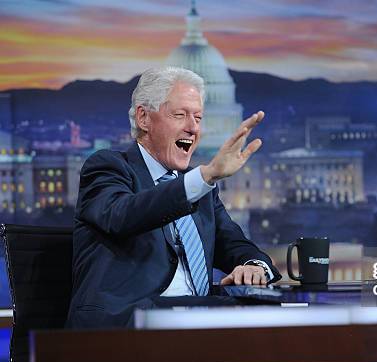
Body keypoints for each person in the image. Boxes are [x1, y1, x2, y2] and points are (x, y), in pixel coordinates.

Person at [67, 67, 281, 328]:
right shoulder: (108, 167)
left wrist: (254, 266)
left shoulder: (199, 189)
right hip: (128, 323)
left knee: (269, 308)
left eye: (199, 118)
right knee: (246, 317)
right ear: (144, 118)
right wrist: (205, 177)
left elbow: (236, 245)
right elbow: (123, 215)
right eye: (180, 115)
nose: (193, 128)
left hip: (187, 322)